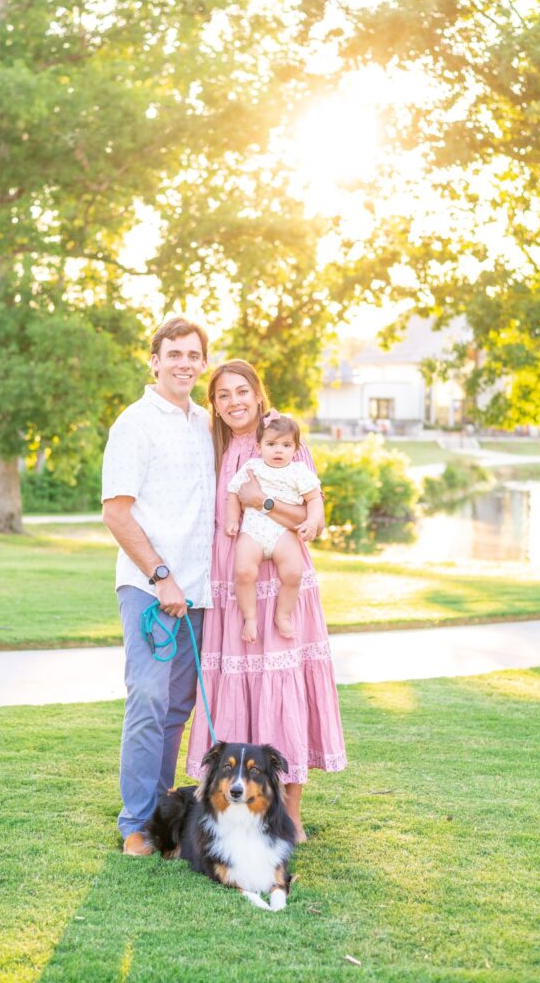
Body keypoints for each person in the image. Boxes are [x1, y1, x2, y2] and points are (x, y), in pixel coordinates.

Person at [186, 359, 346, 842]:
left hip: (284, 584)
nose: (234, 402)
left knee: (283, 689)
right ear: (213, 405)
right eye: (222, 395)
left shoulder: (285, 442)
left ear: (258, 394)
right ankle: (229, 812)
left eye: (242, 392)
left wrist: (263, 502)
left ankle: (290, 814)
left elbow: (307, 516)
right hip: (233, 586)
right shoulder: (214, 449)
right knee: (238, 690)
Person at [102, 317, 215, 856]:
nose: (184, 363)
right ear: (154, 360)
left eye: (194, 354)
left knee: (176, 707)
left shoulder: (204, 424)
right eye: (174, 354)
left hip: (198, 594)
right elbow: (117, 512)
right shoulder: (135, 422)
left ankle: (163, 817)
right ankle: (135, 824)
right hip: (151, 589)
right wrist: (161, 576)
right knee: (147, 699)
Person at [226, 410, 322, 643]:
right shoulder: (252, 467)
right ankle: (250, 618)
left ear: (296, 449)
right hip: (253, 530)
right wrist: (231, 519)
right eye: (271, 444)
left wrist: (311, 521)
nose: (278, 450)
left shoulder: (299, 472)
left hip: (283, 533)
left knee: (292, 573)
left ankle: (283, 614)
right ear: (259, 447)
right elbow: (234, 493)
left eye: (286, 445)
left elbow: (314, 499)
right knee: (243, 572)